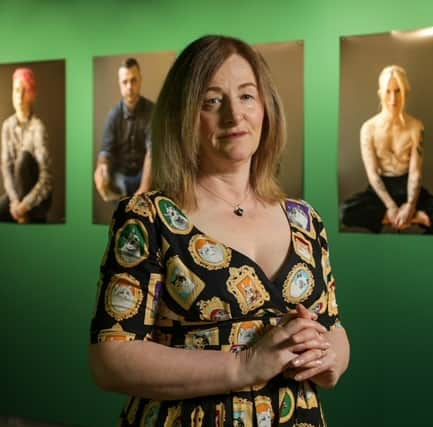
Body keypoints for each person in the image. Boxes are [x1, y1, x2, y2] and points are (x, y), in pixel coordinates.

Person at [89, 35, 350, 426]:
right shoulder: (148, 218)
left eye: (246, 96)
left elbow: (334, 329)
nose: (234, 116)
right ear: (184, 115)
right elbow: (111, 359)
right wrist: (243, 366)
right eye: (212, 101)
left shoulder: (305, 220)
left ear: (266, 107)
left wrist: (329, 359)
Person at [340, 65, 433, 234]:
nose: (393, 99)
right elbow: (372, 174)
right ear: (380, 93)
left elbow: (415, 172)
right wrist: (391, 207)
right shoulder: (368, 128)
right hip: (381, 189)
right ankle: (407, 217)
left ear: (405, 92)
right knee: (344, 213)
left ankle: (407, 216)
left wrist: (410, 205)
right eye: (388, 91)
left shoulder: (416, 127)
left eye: (398, 91)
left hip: (407, 185)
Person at [94, 58, 153, 202]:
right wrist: (101, 169)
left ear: (141, 80)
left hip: (145, 176)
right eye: (125, 82)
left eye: (133, 80)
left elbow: (153, 152)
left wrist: (144, 188)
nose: (129, 87)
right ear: (119, 84)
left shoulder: (153, 112)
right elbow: (105, 152)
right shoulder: (113, 116)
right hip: (120, 178)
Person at [0, 67, 52, 223]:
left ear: (32, 95)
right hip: (15, 197)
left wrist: (26, 205)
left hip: (38, 198)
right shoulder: (7, 126)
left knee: (23, 158)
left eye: (25, 91)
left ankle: (26, 215)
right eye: (16, 90)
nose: (20, 96)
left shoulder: (38, 128)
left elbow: (46, 178)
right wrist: (15, 202)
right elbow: (6, 168)